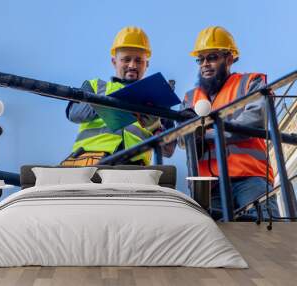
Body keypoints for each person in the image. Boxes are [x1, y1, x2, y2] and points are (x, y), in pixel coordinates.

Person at [180, 26, 279, 219]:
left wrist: (206, 133)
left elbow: (255, 120)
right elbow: (183, 140)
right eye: (201, 59)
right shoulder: (190, 98)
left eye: (212, 57)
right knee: (217, 244)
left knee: (265, 240)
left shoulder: (250, 82)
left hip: (249, 178)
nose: (205, 64)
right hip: (209, 187)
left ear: (229, 59)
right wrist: (193, 134)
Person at [62, 26, 175, 166]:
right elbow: (74, 114)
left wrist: (154, 126)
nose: (132, 65)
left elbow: (168, 151)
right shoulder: (95, 86)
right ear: (114, 62)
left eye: (139, 60)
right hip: (89, 162)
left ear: (147, 64)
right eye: (126, 59)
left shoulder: (157, 101)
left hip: (134, 170)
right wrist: (113, 102)